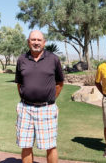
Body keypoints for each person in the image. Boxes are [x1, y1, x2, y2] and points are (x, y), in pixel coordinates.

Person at [15, 30, 64, 163]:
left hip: (46, 109)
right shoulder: (21, 59)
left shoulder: (53, 59)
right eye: (33, 39)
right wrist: (26, 99)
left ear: (44, 42)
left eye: (38, 40)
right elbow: (19, 84)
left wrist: (50, 99)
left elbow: (60, 83)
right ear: (28, 41)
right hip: (25, 109)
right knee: (25, 145)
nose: (36, 42)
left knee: (50, 146)